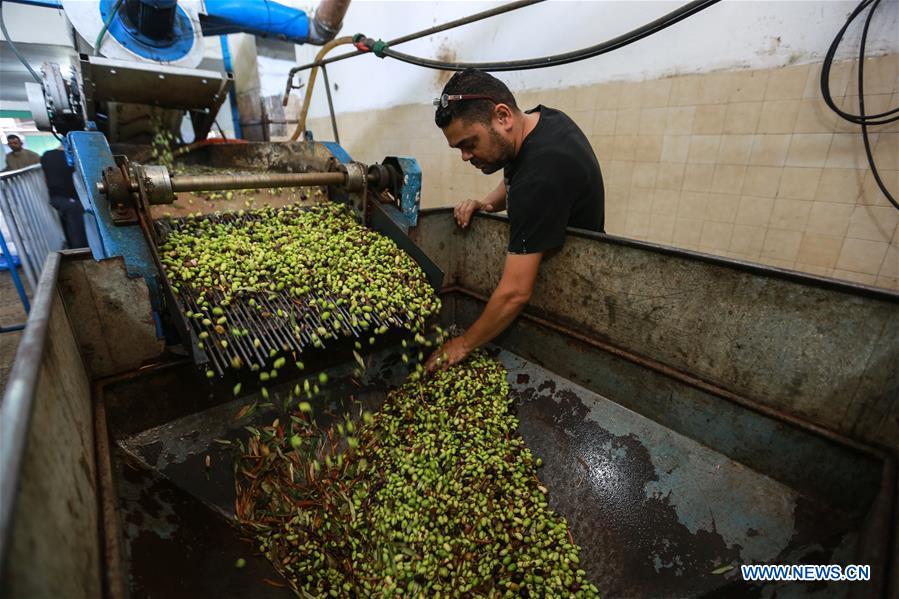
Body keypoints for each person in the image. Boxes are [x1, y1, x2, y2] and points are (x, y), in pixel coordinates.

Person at [425, 69, 604, 372]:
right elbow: (515, 175)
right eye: (459, 149)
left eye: (469, 144)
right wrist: (488, 203)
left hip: (576, 291)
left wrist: (463, 343)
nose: (465, 157)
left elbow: (515, 293)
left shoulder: (541, 176)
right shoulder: (542, 122)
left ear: (503, 116)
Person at [40, 146, 88, 248]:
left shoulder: (47, 155)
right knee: (78, 229)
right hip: (72, 201)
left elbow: (45, 178)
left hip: (57, 198)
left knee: (69, 225)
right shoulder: (77, 156)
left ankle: (75, 249)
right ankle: (81, 254)